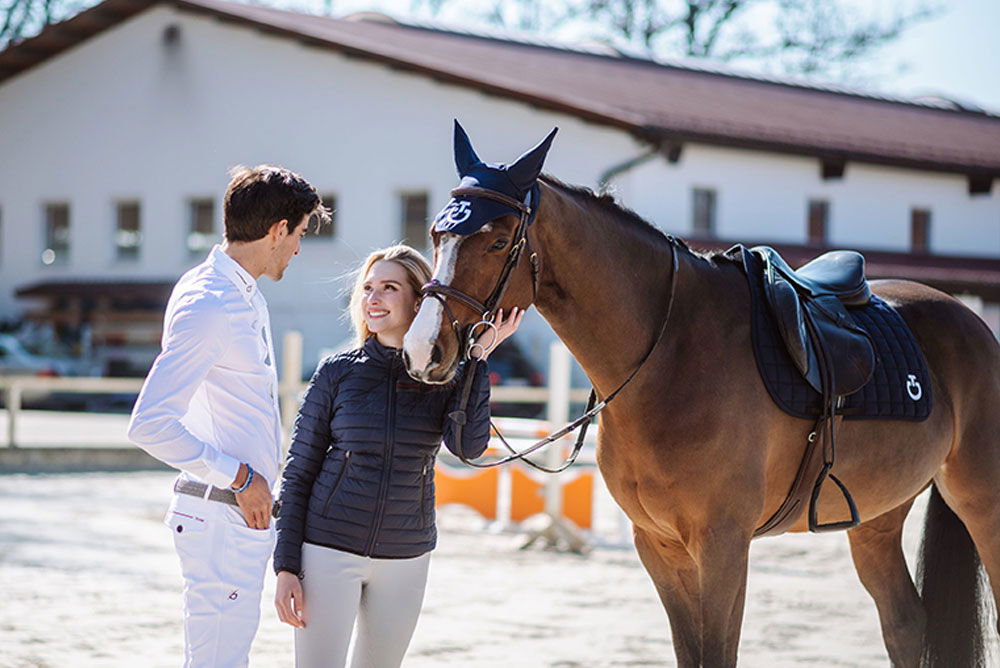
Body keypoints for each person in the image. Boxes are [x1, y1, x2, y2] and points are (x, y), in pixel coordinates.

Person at [272, 244, 523, 668]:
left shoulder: (445, 377)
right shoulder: (337, 371)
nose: (373, 298)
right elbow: (298, 471)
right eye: (368, 288)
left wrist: (476, 361)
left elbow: (468, 447)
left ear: (419, 300)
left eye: (389, 287)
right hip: (328, 548)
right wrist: (285, 567)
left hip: (406, 555)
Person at [128, 164, 327, 668]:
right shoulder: (211, 303)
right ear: (278, 230)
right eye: (300, 234)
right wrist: (240, 477)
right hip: (219, 511)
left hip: (236, 513)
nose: (299, 249)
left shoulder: (240, 292)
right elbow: (149, 422)